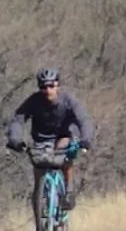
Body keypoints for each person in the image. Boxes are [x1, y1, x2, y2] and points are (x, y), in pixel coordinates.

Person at [6, 67, 94, 212]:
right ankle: (41, 229)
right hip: (40, 140)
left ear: (57, 85)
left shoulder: (68, 101)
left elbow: (84, 119)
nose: (47, 90)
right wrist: (14, 139)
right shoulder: (34, 101)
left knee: (63, 153)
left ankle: (69, 190)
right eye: (43, 87)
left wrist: (86, 139)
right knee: (38, 182)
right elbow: (18, 119)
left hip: (63, 136)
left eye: (51, 86)